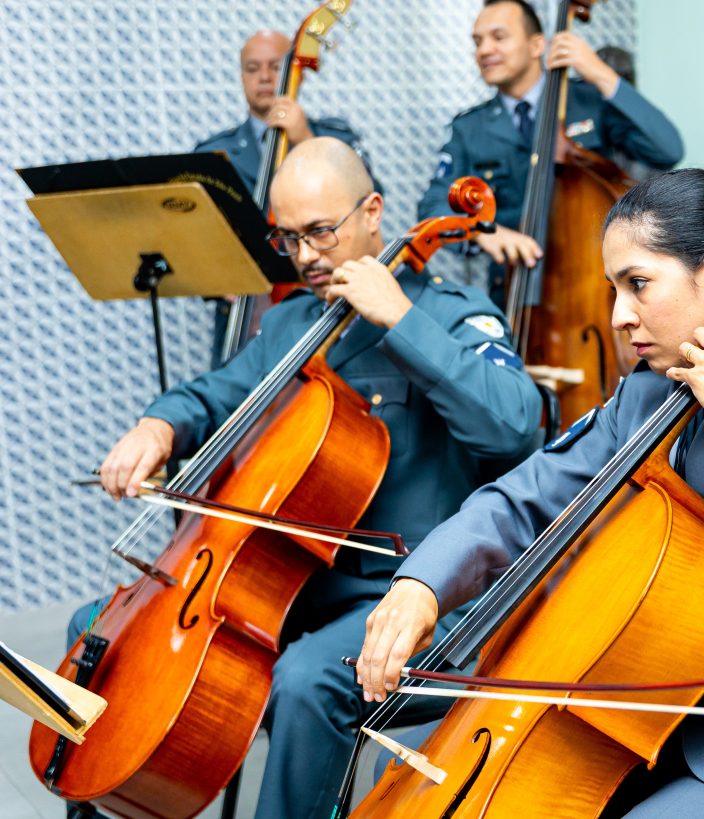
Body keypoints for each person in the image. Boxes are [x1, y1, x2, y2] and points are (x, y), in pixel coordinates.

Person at [358, 169, 704, 818]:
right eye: (614, 289)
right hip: (650, 732)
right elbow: (522, 498)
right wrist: (421, 584)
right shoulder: (650, 395)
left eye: (639, 284)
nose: (619, 316)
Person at [67, 137, 542, 819]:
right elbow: (215, 392)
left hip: (412, 598)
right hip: (292, 588)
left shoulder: (450, 314)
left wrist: (400, 319)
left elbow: (516, 426)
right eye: (288, 239)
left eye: (321, 231)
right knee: (98, 636)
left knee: (310, 678)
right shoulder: (292, 321)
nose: (307, 256)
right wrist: (159, 426)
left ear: (372, 212)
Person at [419, 0, 683, 303]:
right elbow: (432, 207)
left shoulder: (587, 101)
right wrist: (482, 232)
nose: (484, 50)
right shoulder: (469, 128)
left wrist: (599, 73)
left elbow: (667, 149)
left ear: (537, 45)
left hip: (595, 287)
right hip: (514, 294)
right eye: (478, 42)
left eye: (499, 37)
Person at [196, 29, 375, 368]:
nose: (264, 77)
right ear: (241, 76)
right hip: (245, 317)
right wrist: (214, 278)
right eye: (252, 68)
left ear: (297, 73)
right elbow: (193, 238)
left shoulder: (335, 136)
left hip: (323, 300)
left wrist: (305, 138)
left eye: (275, 66)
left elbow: (367, 197)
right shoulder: (214, 153)